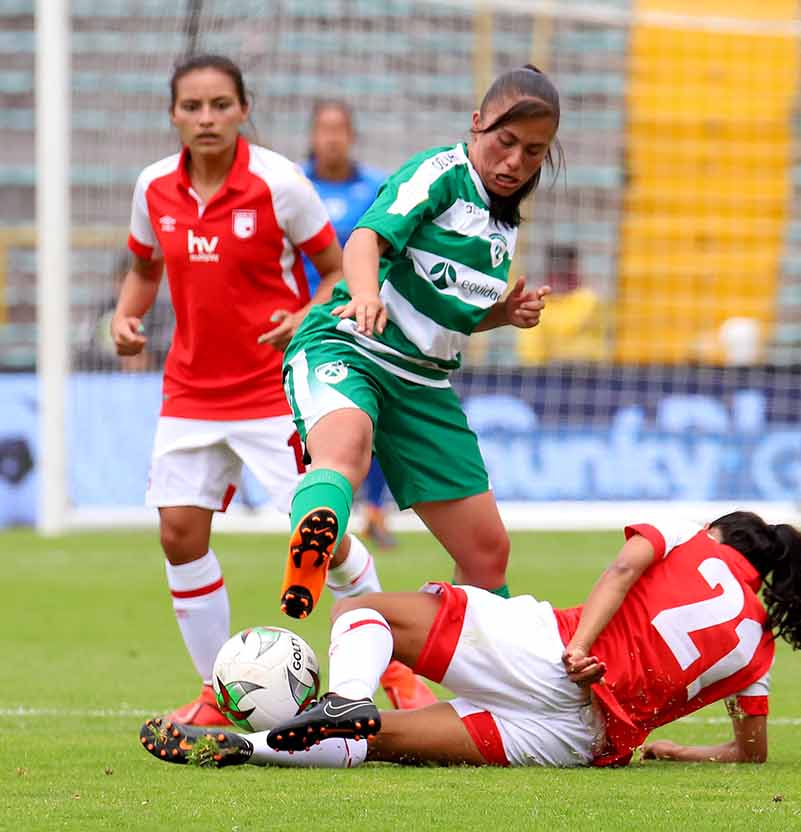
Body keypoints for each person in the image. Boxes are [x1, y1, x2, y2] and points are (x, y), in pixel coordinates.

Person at [112, 54, 431, 728]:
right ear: (172, 114)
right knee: (178, 534)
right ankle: (216, 693)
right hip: (190, 393)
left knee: (323, 536)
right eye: (192, 106)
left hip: (274, 389)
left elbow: (334, 270)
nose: (206, 118)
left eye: (219, 105)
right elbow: (143, 268)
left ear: (243, 109)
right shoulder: (152, 188)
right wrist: (125, 316)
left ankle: (396, 668)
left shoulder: (280, 182)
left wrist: (305, 315)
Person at [138, 510, 801, 769]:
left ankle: (348, 693)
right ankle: (250, 749)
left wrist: (582, 647)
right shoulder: (756, 655)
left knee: (364, 615)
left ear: (722, 535)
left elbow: (620, 569)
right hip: (579, 741)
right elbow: (749, 754)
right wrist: (679, 749)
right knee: (380, 741)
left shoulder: (693, 540)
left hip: (551, 654)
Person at [275, 65, 561, 621]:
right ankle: (312, 551)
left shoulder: (503, 219)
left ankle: (456, 671)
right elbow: (365, 240)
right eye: (505, 142)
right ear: (477, 124)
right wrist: (364, 294)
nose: (514, 162)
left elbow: (448, 315)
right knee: (346, 450)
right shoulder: (440, 173)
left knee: (486, 555)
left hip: (423, 382)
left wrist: (503, 314)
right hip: (351, 345)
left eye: (533, 152)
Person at [302, 101, 398, 549]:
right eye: (324, 129)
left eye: (339, 129)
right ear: (313, 135)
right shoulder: (295, 187)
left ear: (352, 136)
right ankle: (307, 501)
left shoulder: (377, 188)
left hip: (358, 321)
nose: (332, 138)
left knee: (370, 418)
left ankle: (374, 509)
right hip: (301, 323)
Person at [516, 243, 608, 364]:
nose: (560, 279)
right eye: (557, 274)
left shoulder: (589, 301)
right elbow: (530, 352)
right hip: (542, 371)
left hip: (588, 368)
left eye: (565, 274)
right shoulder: (535, 303)